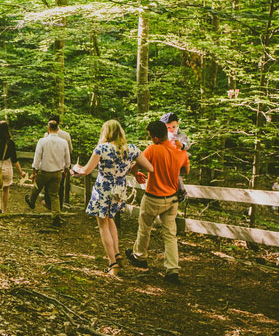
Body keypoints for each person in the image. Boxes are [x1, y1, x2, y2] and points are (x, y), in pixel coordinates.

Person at [71, 120, 153, 276]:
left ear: (106, 132)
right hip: (120, 190)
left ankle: (112, 264)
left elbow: (86, 171)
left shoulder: (101, 148)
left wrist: (75, 170)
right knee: (111, 219)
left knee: (103, 224)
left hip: (103, 189)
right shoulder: (132, 149)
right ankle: (117, 254)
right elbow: (150, 168)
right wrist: (130, 169)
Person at [126, 120, 190, 285]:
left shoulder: (152, 149)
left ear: (155, 137)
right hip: (172, 199)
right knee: (170, 235)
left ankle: (139, 256)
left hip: (153, 197)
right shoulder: (178, 149)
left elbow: (134, 165)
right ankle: (172, 270)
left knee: (145, 227)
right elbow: (185, 170)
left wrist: (137, 174)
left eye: (150, 136)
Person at [25, 120, 71, 226]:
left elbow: (37, 157)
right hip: (57, 172)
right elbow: (67, 158)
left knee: (37, 187)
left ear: (48, 128)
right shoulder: (63, 142)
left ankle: (31, 201)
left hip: (44, 171)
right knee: (54, 195)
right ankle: (56, 216)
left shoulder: (42, 141)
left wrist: (34, 171)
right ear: (58, 128)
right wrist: (66, 169)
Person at [0, 121, 26, 213]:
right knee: (6, 189)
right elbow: (14, 160)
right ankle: (4, 209)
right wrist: (21, 172)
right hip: (7, 168)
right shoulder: (10, 143)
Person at [43, 114, 73, 211]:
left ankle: (50, 206)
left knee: (48, 187)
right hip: (61, 166)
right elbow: (70, 150)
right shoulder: (66, 135)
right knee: (60, 187)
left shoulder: (46, 135)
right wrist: (67, 166)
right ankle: (58, 208)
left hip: (48, 165)